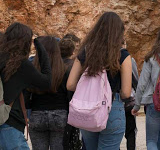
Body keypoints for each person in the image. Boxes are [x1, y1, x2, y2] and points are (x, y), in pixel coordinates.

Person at [0, 23, 52, 149]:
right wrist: (41, 50)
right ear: (26, 42)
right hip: (8, 126)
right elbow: (46, 82)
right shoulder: (21, 64)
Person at [67, 12, 132, 149]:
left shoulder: (85, 53)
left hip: (88, 109)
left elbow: (70, 85)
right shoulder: (123, 56)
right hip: (113, 108)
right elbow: (126, 93)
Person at [26, 36, 71, 150]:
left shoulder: (32, 68)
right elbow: (69, 94)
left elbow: (26, 95)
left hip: (37, 113)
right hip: (60, 114)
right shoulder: (64, 69)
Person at [125, 54, 139, 150]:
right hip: (129, 101)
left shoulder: (104, 58)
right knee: (130, 132)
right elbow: (135, 79)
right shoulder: (129, 59)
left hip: (112, 102)